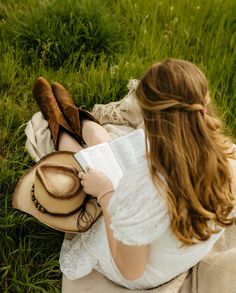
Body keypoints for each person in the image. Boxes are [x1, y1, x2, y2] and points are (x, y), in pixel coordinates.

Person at [37, 59, 236, 290]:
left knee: (90, 164)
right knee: (107, 148)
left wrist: (105, 192)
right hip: (173, 250)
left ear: (149, 120)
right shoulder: (228, 159)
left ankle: (58, 126)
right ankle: (76, 117)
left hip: (147, 269)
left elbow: (130, 270)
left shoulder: (144, 188)